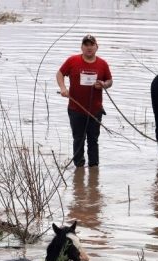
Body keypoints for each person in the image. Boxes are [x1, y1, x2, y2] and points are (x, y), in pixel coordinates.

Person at [56, 34, 113, 168]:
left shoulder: (102, 64)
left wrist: (104, 84)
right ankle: (79, 170)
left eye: (91, 45)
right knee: (78, 139)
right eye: (86, 45)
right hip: (76, 109)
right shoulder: (72, 61)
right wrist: (63, 88)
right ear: (81, 47)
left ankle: (94, 168)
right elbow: (59, 74)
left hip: (95, 110)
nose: (89, 47)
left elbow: (110, 81)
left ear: (96, 47)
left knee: (93, 140)